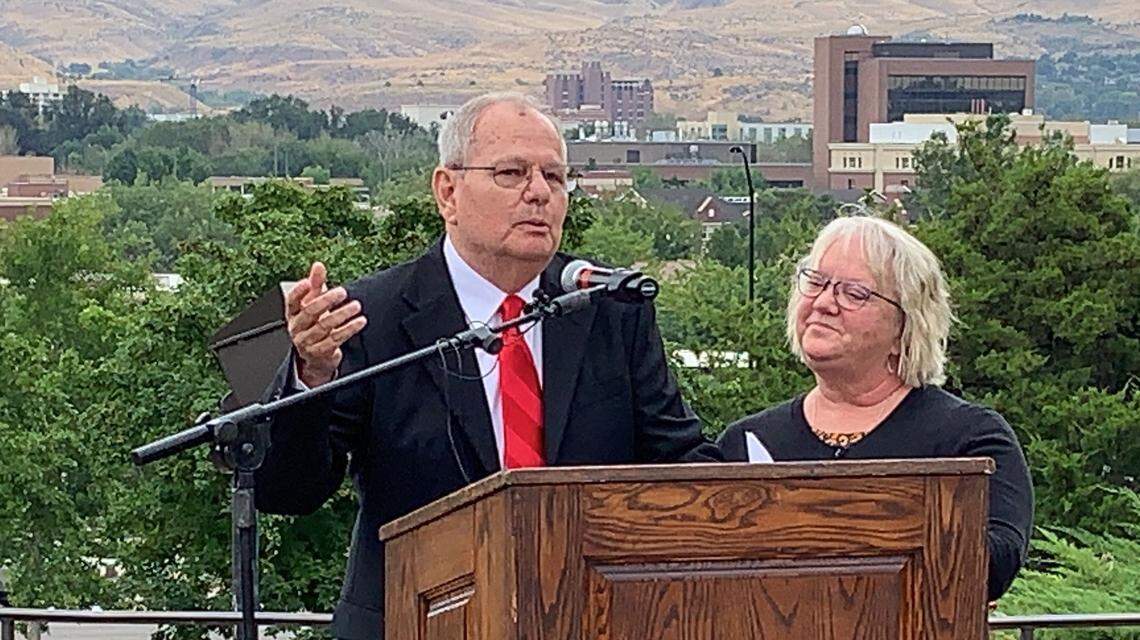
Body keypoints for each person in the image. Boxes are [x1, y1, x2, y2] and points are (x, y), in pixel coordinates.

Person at [254, 92, 720, 639]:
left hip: (584, 617)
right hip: (416, 619)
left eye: (555, 176)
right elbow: (288, 491)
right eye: (511, 172)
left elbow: (679, 465)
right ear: (447, 192)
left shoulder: (609, 309)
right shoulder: (370, 317)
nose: (539, 193)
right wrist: (309, 375)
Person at [718, 214, 1033, 602]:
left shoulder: (969, 440)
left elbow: (992, 565)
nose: (823, 302)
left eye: (854, 293)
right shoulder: (745, 442)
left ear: (904, 330)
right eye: (815, 282)